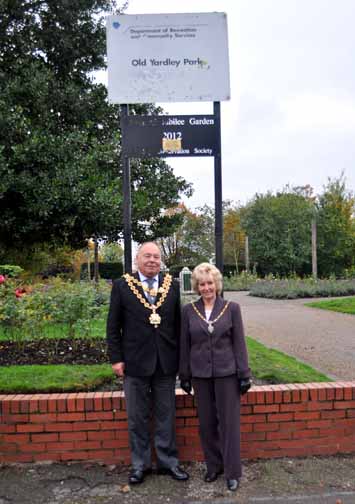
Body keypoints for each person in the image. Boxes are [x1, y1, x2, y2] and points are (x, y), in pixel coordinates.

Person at [106, 242, 189, 485]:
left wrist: (181, 359)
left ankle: (168, 463)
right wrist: (116, 358)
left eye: (156, 256)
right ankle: (139, 466)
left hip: (165, 363)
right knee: (137, 418)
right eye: (147, 256)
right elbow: (113, 326)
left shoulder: (171, 285)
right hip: (134, 363)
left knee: (166, 416)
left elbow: (178, 325)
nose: (152, 260)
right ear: (137, 260)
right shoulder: (122, 286)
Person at [179, 263, 251, 492]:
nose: (207, 287)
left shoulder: (232, 308)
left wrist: (244, 374)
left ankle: (232, 472)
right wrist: (185, 375)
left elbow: (239, 343)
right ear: (197, 287)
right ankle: (214, 466)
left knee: (229, 424)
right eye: (202, 284)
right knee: (207, 424)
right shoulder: (188, 311)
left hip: (227, 374)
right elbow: (185, 345)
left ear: (217, 284)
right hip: (200, 375)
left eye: (210, 283)